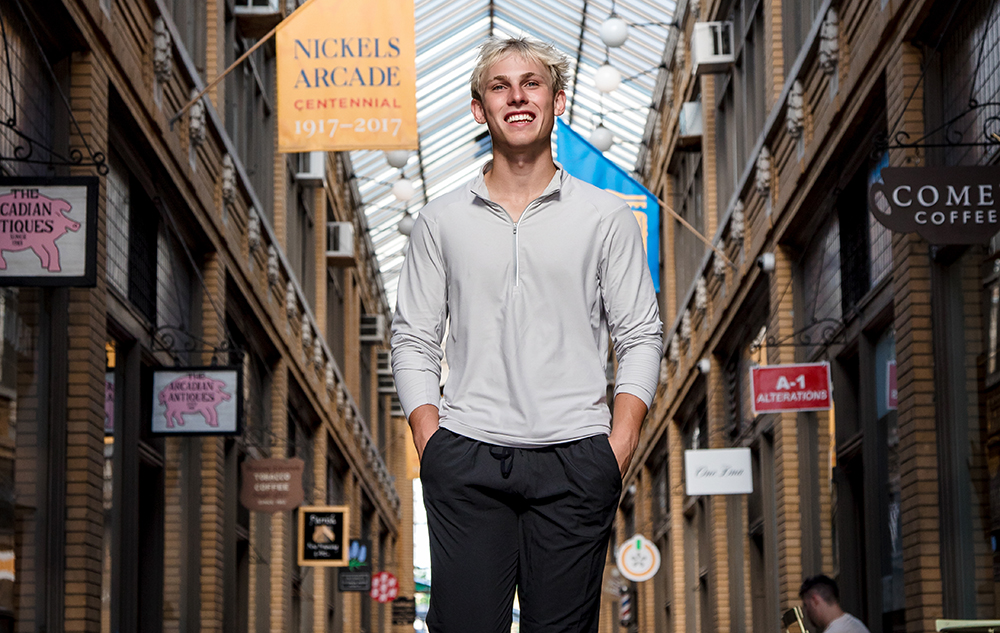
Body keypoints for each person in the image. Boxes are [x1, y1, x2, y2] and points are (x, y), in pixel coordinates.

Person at [390, 36, 663, 633]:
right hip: (466, 453)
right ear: (478, 108)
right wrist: (429, 438)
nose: (517, 96)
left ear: (557, 100)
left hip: (577, 457)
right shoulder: (440, 220)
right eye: (499, 86)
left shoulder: (606, 215)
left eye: (532, 83)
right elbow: (413, 338)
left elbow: (640, 333)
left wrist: (617, 447)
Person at [799, 575, 871, 633]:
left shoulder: (836, 630)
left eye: (806, 605)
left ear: (814, 600)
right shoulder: (856, 624)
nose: (807, 612)